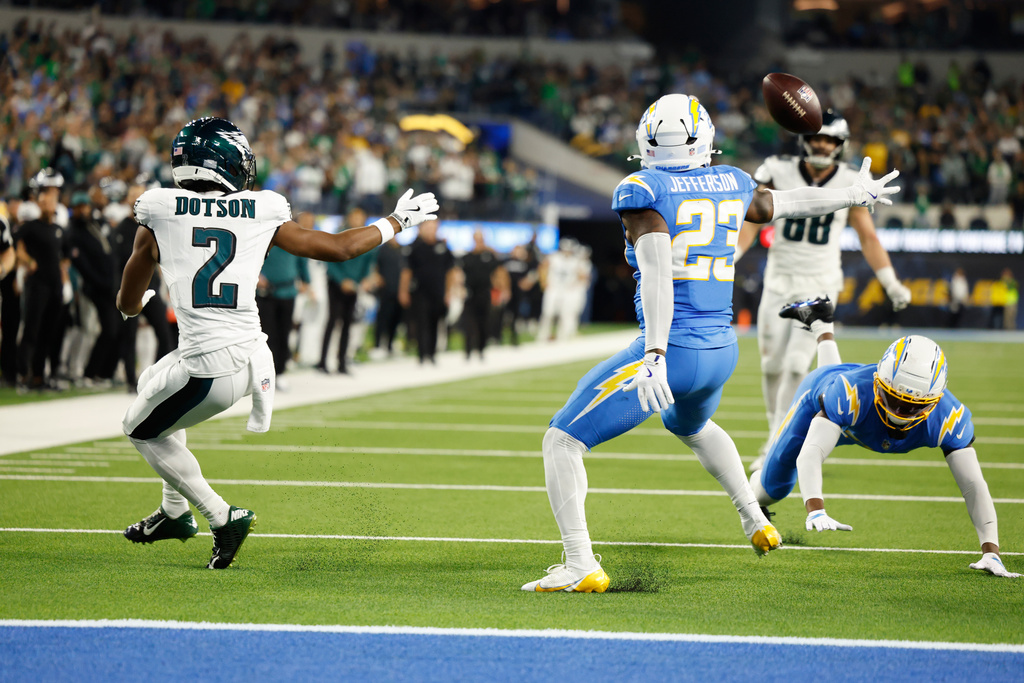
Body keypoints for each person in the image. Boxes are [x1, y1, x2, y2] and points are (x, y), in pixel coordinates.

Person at [522, 93, 901, 593]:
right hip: (719, 350)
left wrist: (654, 355)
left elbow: (657, 275)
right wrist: (851, 195)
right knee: (692, 424)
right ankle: (754, 518)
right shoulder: (732, 181)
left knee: (562, 439)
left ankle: (579, 563)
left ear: (648, 140)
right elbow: (781, 204)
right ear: (704, 138)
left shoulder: (643, 188)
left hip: (673, 349)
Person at [118, 117, 438, 569]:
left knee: (139, 428)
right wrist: (396, 221)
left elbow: (130, 295)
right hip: (250, 355)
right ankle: (174, 512)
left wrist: (133, 306)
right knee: (153, 381)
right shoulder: (261, 209)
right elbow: (337, 247)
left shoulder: (158, 210)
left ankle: (221, 516)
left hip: (210, 367)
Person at [749, 297, 1019, 579]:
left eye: (914, 406)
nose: (900, 413)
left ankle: (820, 322)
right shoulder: (850, 394)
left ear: (935, 400)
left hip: (852, 412)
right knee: (770, 490)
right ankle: (751, 489)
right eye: (893, 399)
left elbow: (973, 485)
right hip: (821, 401)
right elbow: (812, 452)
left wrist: (991, 551)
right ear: (880, 383)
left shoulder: (948, 418)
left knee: (843, 395)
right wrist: (815, 508)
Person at [735, 109, 913, 469]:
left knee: (798, 362)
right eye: (817, 137)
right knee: (771, 366)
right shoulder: (777, 168)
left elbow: (868, 236)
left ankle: (776, 445)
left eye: (829, 139)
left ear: (839, 145)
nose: (821, 144)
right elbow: (752, 221)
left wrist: (891, 282)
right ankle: (776, 432)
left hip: (819, 284)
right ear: (804, 139)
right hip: (779, 279)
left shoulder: (851, 179)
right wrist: (732, 255)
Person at [15, 169, 70, 390]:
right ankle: (21, 376)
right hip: (37, 284)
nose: (49, 203)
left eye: (52, 200)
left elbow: (64, 257)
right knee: (31, 330)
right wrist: (28, 261)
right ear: (39, 203)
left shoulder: (58, 229)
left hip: (54, 285)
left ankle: (39, 377)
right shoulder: (30, 227)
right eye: (45, 199)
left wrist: (64, 279)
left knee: (48, 332)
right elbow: (15, 247)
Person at [67, 190, 120, 384]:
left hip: (109, 286)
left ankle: (99, 372)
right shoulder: (74, 232)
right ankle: (84, 371)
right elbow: (83, 266)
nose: (83, 210)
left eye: (85, 206)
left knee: (111, 330)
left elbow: (110, 253)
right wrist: (103, 283)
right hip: (92, 289)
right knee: (91, 330)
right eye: (79, 207)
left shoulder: (96, 224)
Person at [316, 208, 377, 375]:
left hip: (354, 286)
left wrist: (364, 279)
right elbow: (330, 260)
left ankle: (342, 361)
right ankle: (322, 361)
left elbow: (369, 262)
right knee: (332, 320)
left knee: (347, 323)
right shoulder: (339, 234)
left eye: (360, 217)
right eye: (355, 217)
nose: (357, 220)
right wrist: (342, 279)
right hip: (337, 284)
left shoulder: (367, 238)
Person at [257, 219, 311, 387]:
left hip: (288, 291)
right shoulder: (261, 233)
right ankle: (264, 373)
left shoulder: (294, 235)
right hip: (265, 292)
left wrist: (306, 280)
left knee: (284, 333)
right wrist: (257, 276)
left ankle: (280, 372)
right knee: (265, 335)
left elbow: (302, 258)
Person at [399, 219, 455, 365]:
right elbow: (406, 271)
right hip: (419, 291)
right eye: (428, 227)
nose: (431, 230)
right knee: (421, 322)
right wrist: (403, 291)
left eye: (434, 227)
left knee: (435, 322)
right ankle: (422, 354)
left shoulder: (443, 246)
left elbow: (450, 271)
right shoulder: (414, 246)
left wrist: (449, 291)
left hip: (438, 291)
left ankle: (432, 353)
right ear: (421, 228)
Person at [459, 229, 500, 360]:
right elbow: (458, 274)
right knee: (469, 323)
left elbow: (498, 271)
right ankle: (468, 350)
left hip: (484, 293)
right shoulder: (466, 257)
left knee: (484, 323)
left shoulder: (489, 255)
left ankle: (481, 349)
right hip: (470, 293)